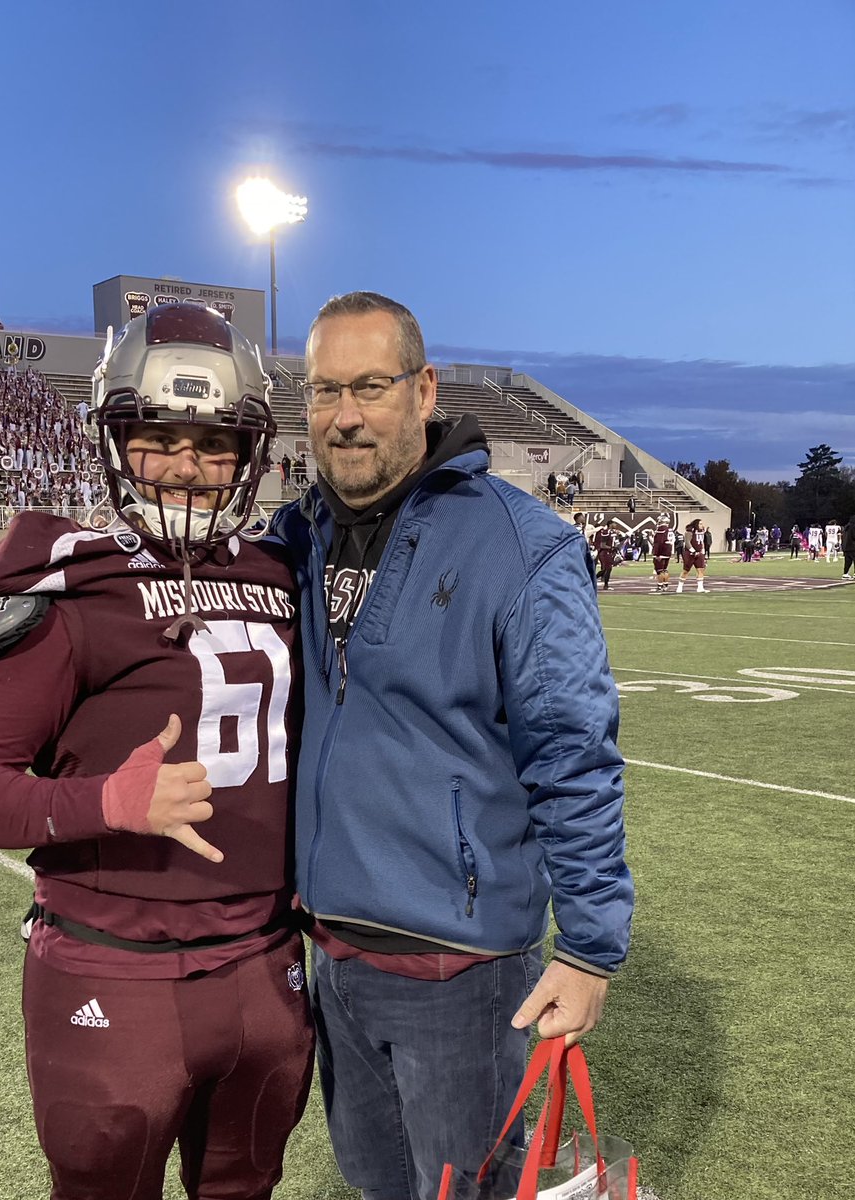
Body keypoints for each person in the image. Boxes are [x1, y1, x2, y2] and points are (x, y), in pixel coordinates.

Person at [0, 303, 313, 1200]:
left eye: (214, 443)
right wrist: (106, 802)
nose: (185, 465)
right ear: (113, 438)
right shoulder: (75, 586)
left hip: (266, 962)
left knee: (247, 1188)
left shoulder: (283, 575)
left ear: (249, 454)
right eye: (157, 438)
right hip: (116, 967)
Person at [270, 292, 631, 1200]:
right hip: (332, 955)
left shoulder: (519, 544)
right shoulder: (298, 535)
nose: (344, 416)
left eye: (369, 386)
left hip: (456, 969)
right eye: (323, 391)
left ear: (424, 390)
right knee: (375, 1182)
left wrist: (589, 948)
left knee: (461, 1190)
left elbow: (573, 754)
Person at [676, 518, 708, 593]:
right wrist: (693, 551)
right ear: (696, 524)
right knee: (686, 570)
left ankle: (700, 588)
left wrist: (703, 551)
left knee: (700, 570)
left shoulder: (701, 531)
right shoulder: (690, 531)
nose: (702, 525)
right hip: (690, 554)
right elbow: (687, 542)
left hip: (699, 553)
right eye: (700, 524)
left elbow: (702, 542)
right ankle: (679, 587)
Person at [593, 517, 616, 590]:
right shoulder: (606, 532)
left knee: (606, 569)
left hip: (608, 552)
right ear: (610, 524)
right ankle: (605, 585)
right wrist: (611, 548)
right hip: (605, 552)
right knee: (608, 569)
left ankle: (593, 580)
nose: (615, 525)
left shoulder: (611, 532)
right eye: (614, 523)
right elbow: (602, 545)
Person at [652, 516, 674, 592]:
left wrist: (657, 554)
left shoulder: (661, 529)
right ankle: (665, 585)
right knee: (665, 570)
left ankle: (660, 586)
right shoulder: (670, 530)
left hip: (661, 552)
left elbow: (659, 542)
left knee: (659, 570)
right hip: (667, 551)